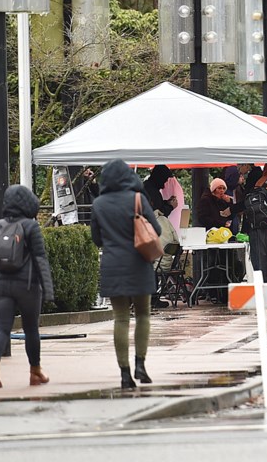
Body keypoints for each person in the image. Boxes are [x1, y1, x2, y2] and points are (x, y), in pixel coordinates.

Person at [91, 159, 161, 390]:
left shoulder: (99, 204)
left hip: (112, 265)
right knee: (143, 315)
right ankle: (141, 364)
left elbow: (97, 239)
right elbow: (157, 230)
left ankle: (124, 373)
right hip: (139, 263)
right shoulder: (137, 199)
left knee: (120, 319)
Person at [0, 185, 55, 388]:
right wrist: (48, 291)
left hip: (0, 285)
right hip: (27, 286)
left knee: (2, 327)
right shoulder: (31, 227)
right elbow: (40, 259)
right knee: (31, 329)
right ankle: (35, 372)